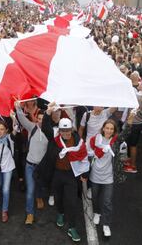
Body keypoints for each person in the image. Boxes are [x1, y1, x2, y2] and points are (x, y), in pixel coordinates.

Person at [37, 102, 89, 242]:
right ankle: (60, 212)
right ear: (59, 130)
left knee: (72, 202)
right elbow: (45, 127)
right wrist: (48, 112)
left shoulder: (79, 142)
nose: (65, 133)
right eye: (63, 130)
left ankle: (72, 227)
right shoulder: (55, 139)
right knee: (58, 199)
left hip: (71, 176)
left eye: (67, 130)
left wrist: (84, 175)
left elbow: (84, 158)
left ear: (72, 129)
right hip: (57, 174)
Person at [15, 101, 48, 225]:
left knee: (39, 185)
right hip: (29, 165)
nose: (40, 121)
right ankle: (30, 214)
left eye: (43, 119)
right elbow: (21, 118)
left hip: (41, 167)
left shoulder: (50, 132)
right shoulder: (32, 127)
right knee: (30, 190)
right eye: (39, 118)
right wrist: (18, 106)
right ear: (36, 119)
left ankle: (39, 197)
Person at [88, 120, 118, 237]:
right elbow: (90, 150)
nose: (109, 131)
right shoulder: (95, 139)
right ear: (103, 128)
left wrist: (130, 121)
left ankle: (106, 224)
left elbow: (125, 133)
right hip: (95, 175)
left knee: (107, 202)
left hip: (108, 177)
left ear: (114, 131)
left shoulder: (115, 141)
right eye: (107, 128)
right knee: (95, 197)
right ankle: (97, 212)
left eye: (112, 129)